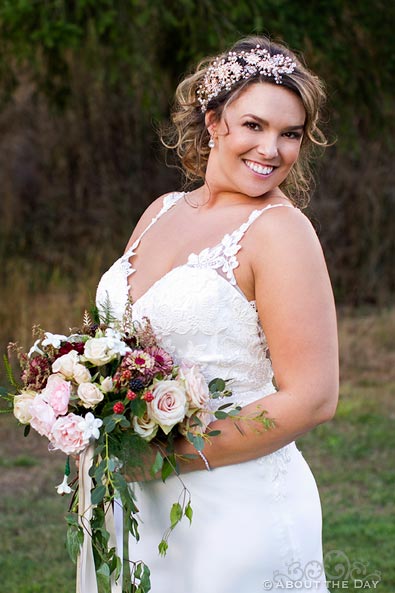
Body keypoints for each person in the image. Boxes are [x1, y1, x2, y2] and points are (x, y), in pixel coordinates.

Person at [96, 35, 338, 593]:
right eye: (254, 125)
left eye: (290, 134)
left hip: (235, 510)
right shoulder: (160, 211)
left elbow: (313, 397)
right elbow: (119, 344)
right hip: (138, 503)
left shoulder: (281, 232)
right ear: (213, 122)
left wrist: (170, 457)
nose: (271, 150)